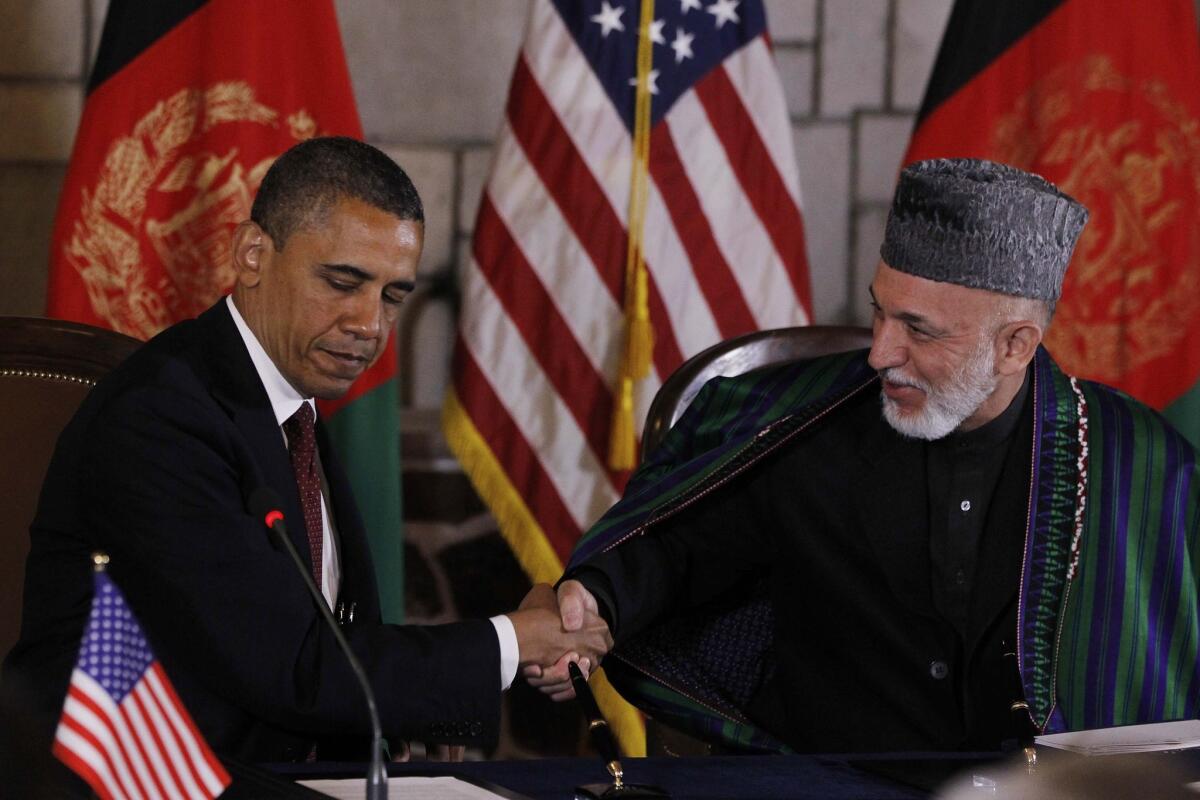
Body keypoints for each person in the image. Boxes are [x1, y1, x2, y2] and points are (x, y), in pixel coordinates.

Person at [532, 158, 1200, 754]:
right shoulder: (800, 423)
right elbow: (675, 545)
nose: (879, 351)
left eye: (919, 330)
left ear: (1015, 347)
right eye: (881, 313)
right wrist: (595, 600)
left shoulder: (1137, 466)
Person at [2, 137, 609, 768]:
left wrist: (409, 712)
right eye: (343, 282)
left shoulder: (288, 404)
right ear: (253, 255)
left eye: (392, 295)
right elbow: (289, 666)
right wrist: (514, 642)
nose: (370, 325)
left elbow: (332, 640)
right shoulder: (162, 417)